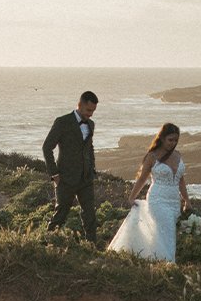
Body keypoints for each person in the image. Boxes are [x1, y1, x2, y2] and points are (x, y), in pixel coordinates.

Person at [106, 123, 189, 262]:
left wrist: (187, 200)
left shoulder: (177, 155)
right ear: (162, 138)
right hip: (157, 200)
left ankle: (155, 260)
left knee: (165, 234)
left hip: (174, 202)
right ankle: (168, 263)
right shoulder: (152, 156)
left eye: (176, 140)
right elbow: (142, 179)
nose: (173, 143)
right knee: (167, 231)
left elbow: (181, 180)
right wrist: (132, 197)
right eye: (170, 140)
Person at [43, 91, 99, 242]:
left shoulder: (91, 124)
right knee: (60, 214)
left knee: (90, 216)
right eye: (88, 110)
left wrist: (92, 169)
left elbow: (89, 148)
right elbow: (47, 147)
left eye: (93, 111)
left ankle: (92, 247)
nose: (90, 114)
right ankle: (46, 245)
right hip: (65, 178)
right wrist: (54, 174)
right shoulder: (62, 122)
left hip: (86, 179)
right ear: (79, 105)